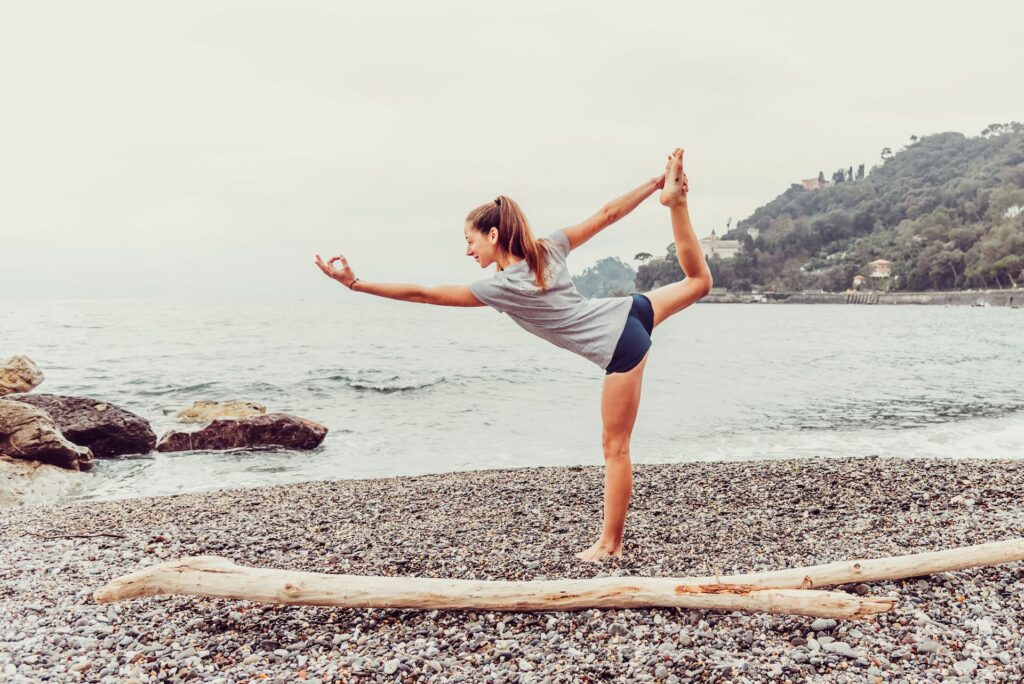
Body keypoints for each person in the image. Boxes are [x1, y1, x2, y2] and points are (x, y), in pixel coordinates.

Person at [315, 148, 712, 562]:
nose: (469, 251)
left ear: (492, 235)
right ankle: (675, 203)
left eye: (470, 241)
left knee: (616, 448)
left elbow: (424, 294)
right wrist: (654, 184)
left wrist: (356, 284)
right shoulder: (549, 247)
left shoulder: (498, 288)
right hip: (630, 311)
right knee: (699, 281)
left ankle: (610, 544)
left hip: (619, 347)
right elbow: (608, 213)